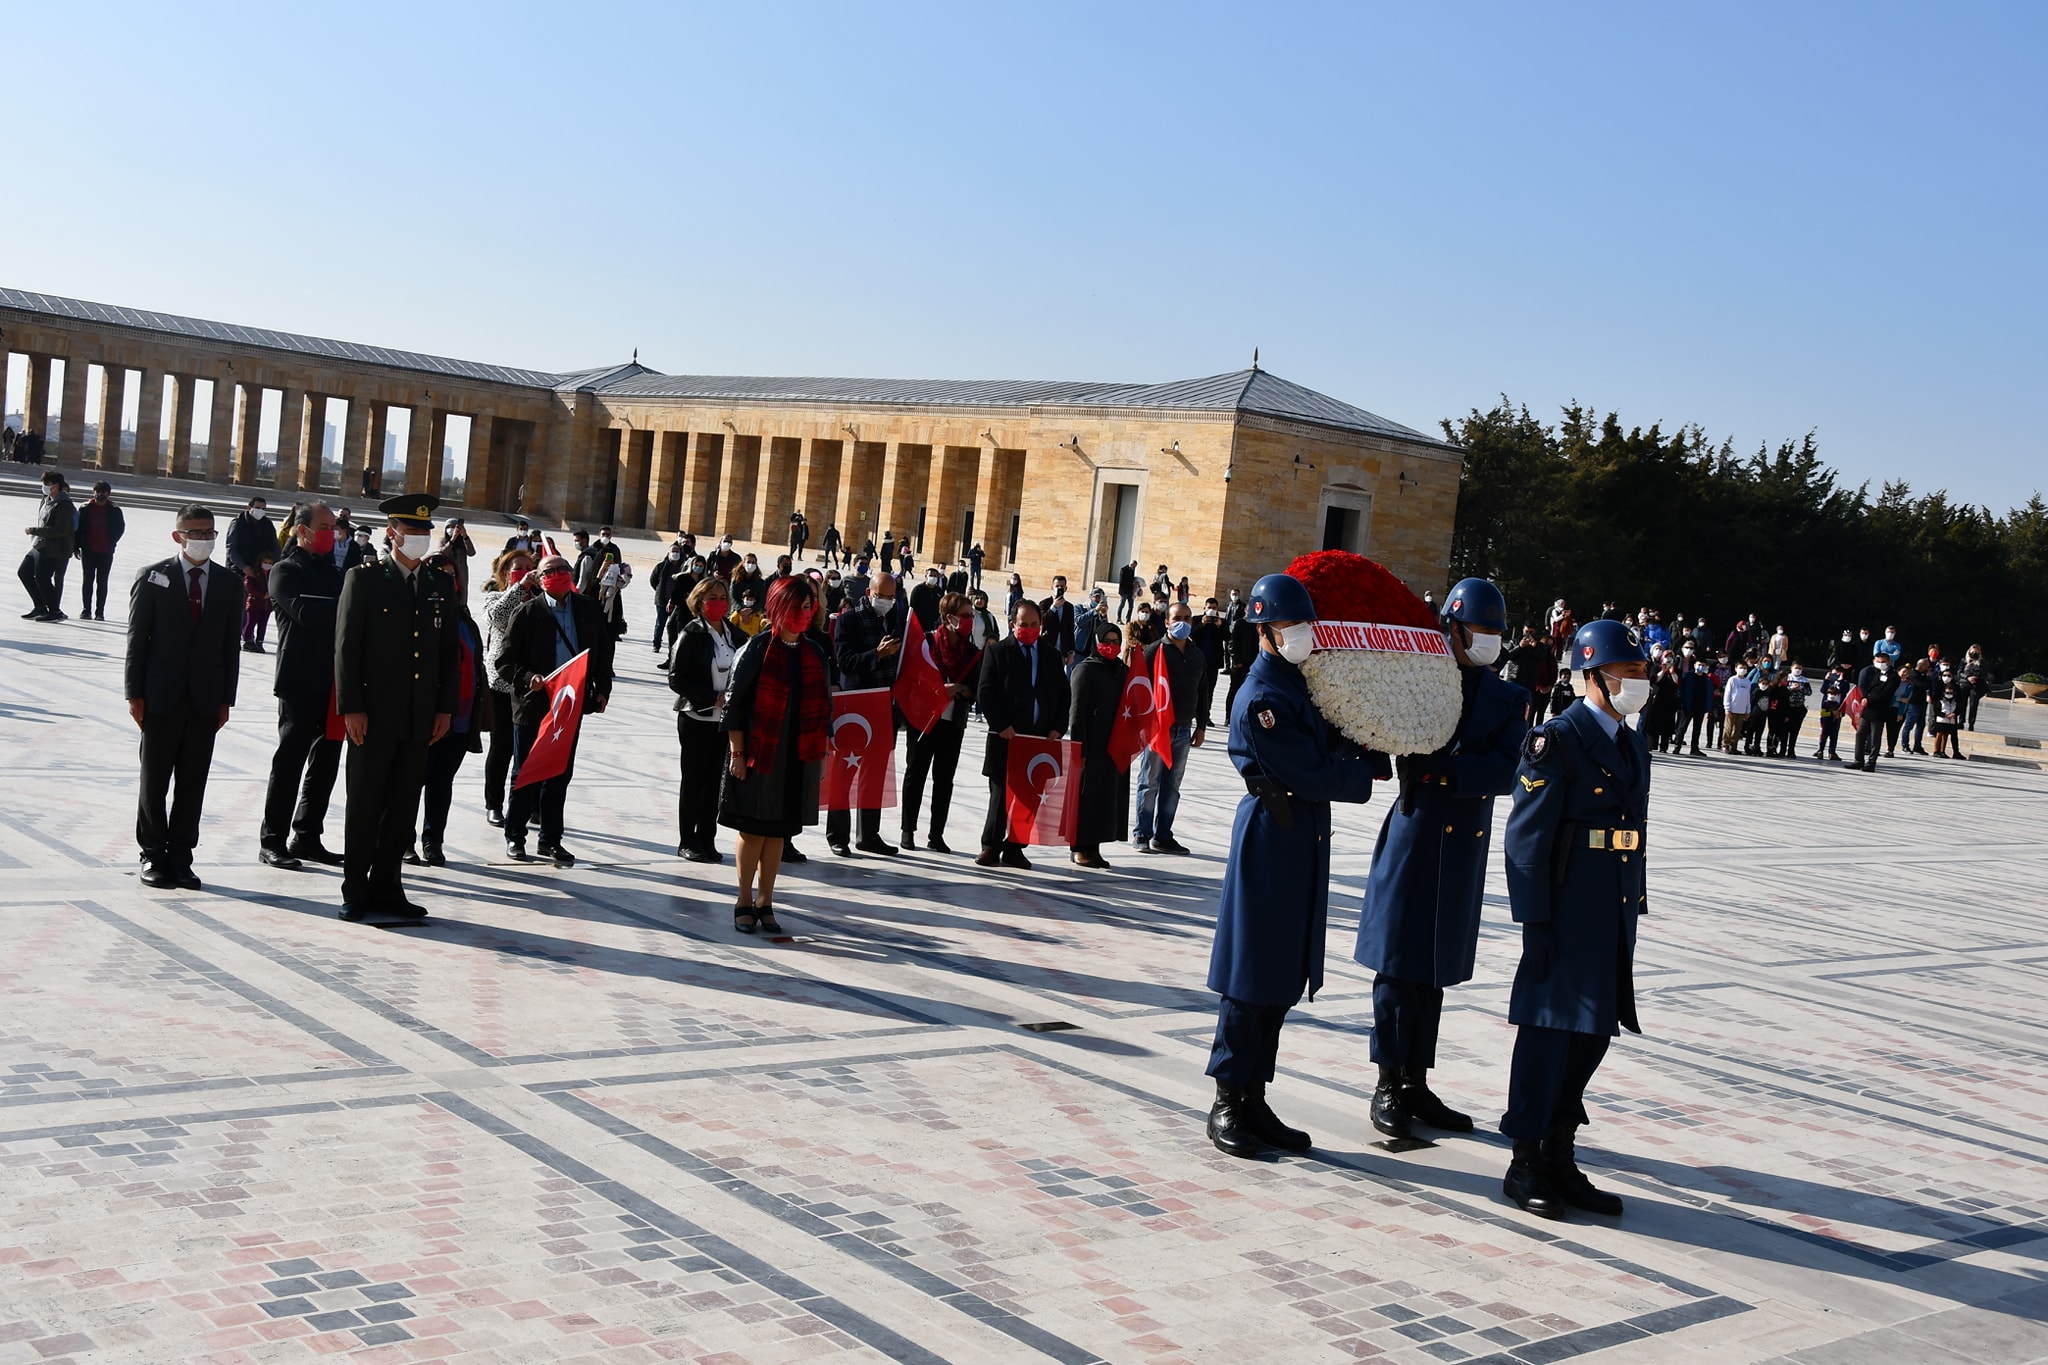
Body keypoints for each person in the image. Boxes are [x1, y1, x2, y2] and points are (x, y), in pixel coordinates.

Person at [1204, 573, 1379, 1158]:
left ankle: (1255, 1097)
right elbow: (1310, 770)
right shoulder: (1263, 697)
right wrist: (1360, 774)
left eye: (1307, 625)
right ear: (1265, 631)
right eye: (1292, 627)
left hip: (1299, 834)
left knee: (1281, 972)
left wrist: (1370, 741)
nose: (1304, 635)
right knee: (1250, 973)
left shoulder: (1297, 683)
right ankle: (1229, 1100)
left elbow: (1331, 739)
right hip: (1271, 834)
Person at [1354, 578, 1527, 1138]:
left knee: (1435, 968)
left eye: (1496, 633)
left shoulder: (1509, 697)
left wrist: (1453, 771)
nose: (1488, 642)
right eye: (1479, 631)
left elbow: (1511, 768)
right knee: (1398, 964)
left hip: (1462, 842)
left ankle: (1416, 1083)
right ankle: (1387, 1083)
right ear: (1451, 627)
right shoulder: (1416, 676)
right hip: (1416, 830)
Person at [1496, 618, 1650, 1217]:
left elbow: (1633, 829)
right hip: (1562, 909)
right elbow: (1525, 840)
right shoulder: (1554, 740)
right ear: (1592, 676)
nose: (1638, 682)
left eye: (1642, 672)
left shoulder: (1631, 741)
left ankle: (1561, 1152)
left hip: (1608, 907)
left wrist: (1632, 899)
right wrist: (1533, 923)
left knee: (1591, 1035)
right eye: (1627, 673)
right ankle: (1525, 1159)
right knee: (1548, 1036)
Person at [334, 494, 463, 921]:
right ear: (392, 533)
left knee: (404, 804)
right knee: (365, 803)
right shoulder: (364, 578)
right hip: (373, 713)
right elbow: (347, 649)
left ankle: (389, 886)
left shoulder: (439, 584)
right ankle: (355, 889)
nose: (421, 540)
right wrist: (351, 706)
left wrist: (445, 708)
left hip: (419, 715)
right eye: (413, 532)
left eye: (426, 532)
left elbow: (448, 654)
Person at [126, 503, 244, 890]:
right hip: (160, 695)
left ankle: (181, 855)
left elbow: (231, 645)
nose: (204, 539)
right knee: (155, 780)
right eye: (195, 533)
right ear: (178, 536)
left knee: (193, 781)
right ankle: (152, 854)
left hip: (205, 697)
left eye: (209, 532)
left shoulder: (228, 583)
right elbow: (137, 640)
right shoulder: (154, 577)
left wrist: (226, 698)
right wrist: (134, 693)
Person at [720, 575, 832, 933]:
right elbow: (734, 707)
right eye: (796, 606)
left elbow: (824, 709)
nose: (803, 613)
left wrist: (822, 755)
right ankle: (742, 898)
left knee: (778, 834)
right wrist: (737, 753)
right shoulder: (755, 649)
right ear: (778, 607)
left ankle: (766, 900)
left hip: (795, 757)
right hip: (758, 754)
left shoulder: (814, 653)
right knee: (753, 831)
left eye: (807, 606)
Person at [497, 552, 616, 866]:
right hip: (533, 706)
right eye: (550, 570)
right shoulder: (526, 613)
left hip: (568, 705)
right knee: (525, 772)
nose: (558, 574)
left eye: (563, 569)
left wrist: (602, 689)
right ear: (540, 578)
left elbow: (603, 652)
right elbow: (504, 663)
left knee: (559, 775)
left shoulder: (587, 609)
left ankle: (550, 840)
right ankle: (515, 836)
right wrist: (528, 677)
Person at [258, 502, 347, 870]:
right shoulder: (284, 570)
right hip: (299, 679)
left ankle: (308, 835)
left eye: (334, 526)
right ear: (302, 530)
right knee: (290, 760)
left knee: (325, 762)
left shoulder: (335, 572)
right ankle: (272, 839)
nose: (331, 532)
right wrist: (344, 605)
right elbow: (306, 613)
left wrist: (340, 604)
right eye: (324, 526)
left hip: (335, 681)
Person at [409, 546, 490, 866]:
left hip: (460, 718)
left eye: (451, 576)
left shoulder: (465, 619)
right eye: (438, 575)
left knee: (442, 783)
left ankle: (433, 840)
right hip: (426, 717)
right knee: (412, 780)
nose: (446, 581)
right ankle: (403, 839)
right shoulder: (416, 615)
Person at [974, 599, 1070, 869]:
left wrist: (1058, 727)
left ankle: (1016, 847)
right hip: (1007, 738)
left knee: (1029, 796)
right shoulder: (998, 652)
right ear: (1012, 624)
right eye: (1023, 624)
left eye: (1034, 624)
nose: (1029, 629)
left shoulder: (1051, 655)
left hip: (1037, 741)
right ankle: (991, 846)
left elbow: (1064, 694)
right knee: (1000, 796)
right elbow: (986, 691)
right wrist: (1001, 723)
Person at [826, 566, 906, 856]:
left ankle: (868, 835)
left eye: (891, 596)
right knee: (844, 771)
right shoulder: (849, 621)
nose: (886, 600)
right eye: (881, 595)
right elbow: (845, 662)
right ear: (869, 593)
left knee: (875, 775)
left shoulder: (893, 619)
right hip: (856, 707)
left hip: (883, 707)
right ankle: (837, 834)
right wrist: (877, 655)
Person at [669, 577, 744, 861]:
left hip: (723, 722)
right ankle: (687, 840)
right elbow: (676, 678)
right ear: (700, 602)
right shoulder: (691, 633)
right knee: (694, 782)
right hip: (696, 717)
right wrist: (710, 697)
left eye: (723, 597)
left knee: (714, 783)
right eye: (712, 597)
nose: (719, 602)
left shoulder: (734, 635)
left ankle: (707, 839)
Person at [900, 592, 980, 852]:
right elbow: (913, 678)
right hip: (924, 720)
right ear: (949, 618)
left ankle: (936, 834)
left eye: (972, 616)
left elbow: (976, 687)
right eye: (966, 616)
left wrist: (962, 690)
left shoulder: (972, 651)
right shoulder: (928, 643)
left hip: (953, 722)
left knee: (944, 779)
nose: (970, 621)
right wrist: (938, 690)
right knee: (916, 774)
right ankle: (907, 831)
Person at [1133, 601, 1211, 854]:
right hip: (1157, 729)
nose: (1183, 622)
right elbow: (1139, 689)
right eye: (1178, 617)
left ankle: (1163, 835)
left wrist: (1201, 726)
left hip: (1183, 729)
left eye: (1188, 618)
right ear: (1166, 621)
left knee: (1173, 784)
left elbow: (1203, 691)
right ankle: (1142, 833)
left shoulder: (1197, 655)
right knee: (1149, 781)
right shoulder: (1154, 651)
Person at [1065, 622, 1131, 869]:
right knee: (1085, 797)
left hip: (1113, 745)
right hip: (1090, 746)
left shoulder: (1122, 671)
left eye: (1116, 641)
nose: (1112, 646)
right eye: (1107, 641)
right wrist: (1078, 747)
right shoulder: (1085, 670)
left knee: (1105, 797)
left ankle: (1094, 847)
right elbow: (1077, 713)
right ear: (1096, 641)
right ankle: (1079, 847)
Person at [480, 549, 537, 828]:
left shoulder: (540, 600)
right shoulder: (495, 597)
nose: (526, 572)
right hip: (502, 682)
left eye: (530, 567)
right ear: (505, 573)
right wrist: (519, 587)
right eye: (518, 568)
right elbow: (497, 618)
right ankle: (494, 803)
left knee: (530, 748)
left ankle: (530, 804)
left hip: (531, 684)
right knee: (502, 746)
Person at [18, 468, 75, 621]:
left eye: (48, 484)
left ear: (57, 485)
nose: (45, 486)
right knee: (24, 572)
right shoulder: (46, 499)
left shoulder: (64, 505)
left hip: (54, 547)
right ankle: (40, 606)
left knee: (43, 577)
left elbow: (60, 530)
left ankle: (55, 611)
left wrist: (35, 530)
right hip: (40, 544)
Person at [226, 497, 281, 652]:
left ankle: (253, 638)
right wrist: (243, 567)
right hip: (239, 570)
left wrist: (273, 564)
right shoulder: (238, 523)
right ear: (249, 507)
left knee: (258, 607)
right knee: (241, 606)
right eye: (258, 507)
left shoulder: (267, 524)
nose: (260, 511)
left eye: (263, 508)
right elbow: (231, 548)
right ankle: (239, 636)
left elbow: (275, 548)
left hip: (260, 572)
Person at [73, 481, 126, 620]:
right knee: (87, 580)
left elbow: (120, 528)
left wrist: (111, 542)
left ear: (108, 494)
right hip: (88, 550)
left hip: (106, 551)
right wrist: (76, 545)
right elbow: (77, 529)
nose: (99, 494)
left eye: (102, 492)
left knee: (102, 581)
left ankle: (100, 612)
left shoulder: (114, 510)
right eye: (96, 491)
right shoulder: (85, 508)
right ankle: (86, 610)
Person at [1853, 647, 1897, 772]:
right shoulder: (1877, 674)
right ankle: (1858, 760)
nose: (1880, 664)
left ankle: (1871, 762)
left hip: (1879, 710)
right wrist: (1865, 697)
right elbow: (1868, 687)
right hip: (1867, 709)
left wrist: (1870, 699)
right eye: (1877, 661)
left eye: (1882, 661)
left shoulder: (1893, 677)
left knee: (1875, 738)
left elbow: (1886, 693)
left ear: (1888, 662)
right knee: (1860, 734)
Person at [1223, 591, 1258, 718]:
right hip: (1238, 664)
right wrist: (1236, 660)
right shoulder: (1239, 624)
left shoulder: (1255, 626)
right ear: (1246, 611)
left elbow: (1256, 646)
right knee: (1234, 690)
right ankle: (1229, 715)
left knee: (1248, 691)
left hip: (1250, 664)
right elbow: (1231, 643)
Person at [908, 564, 946, 632]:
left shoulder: (939, 591)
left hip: (934, 624)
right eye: (931, 575)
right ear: (926, 576)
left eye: (935, 576)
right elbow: (912, 607)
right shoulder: (918, 590)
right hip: (919, 623)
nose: (933, 578)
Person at [1960, 646, 1988, 730]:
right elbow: (1959, 672)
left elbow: (1985, 674)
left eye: (1976, 652)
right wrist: (1967, 677)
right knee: (1962, 704)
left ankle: (1971, 723)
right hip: (1965, 684)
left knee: (1973, 705)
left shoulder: (1982, 662)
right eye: (1972, 652)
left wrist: (1977, 674)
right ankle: (1960, 721)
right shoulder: (1964, 660)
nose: (1974, 654)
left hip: (1976, 685)